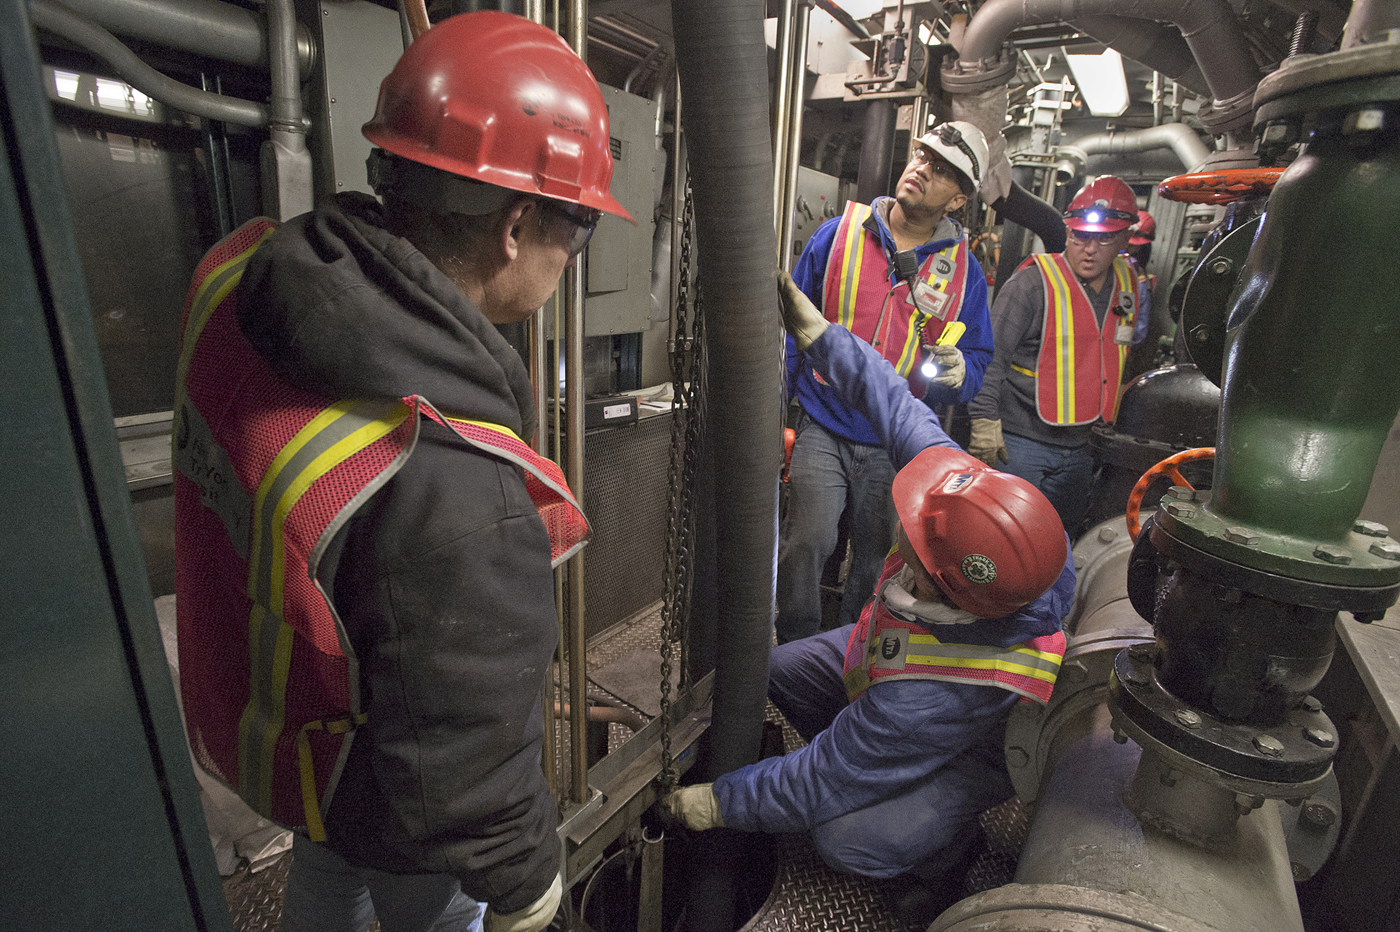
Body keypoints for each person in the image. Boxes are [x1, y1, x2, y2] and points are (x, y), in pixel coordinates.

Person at [171, 13, 633, 932]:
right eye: (576, 230)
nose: (570, 258)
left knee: (328, 880)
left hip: (294, 744)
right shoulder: (456, 482)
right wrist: (532, 886)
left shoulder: (235, 278)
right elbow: (468, 763)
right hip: (395, 797)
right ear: (514, 227)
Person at [662, 272, 1074, 925]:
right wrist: (821, 337)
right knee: (781, 669)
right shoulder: (987, 519)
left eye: (914, 538)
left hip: (969, 747)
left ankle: (947, 855)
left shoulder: (926, 700)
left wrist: (715, 804)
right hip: (893, 669)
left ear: (947, 590)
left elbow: (822, 778)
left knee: (844, 836)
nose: (902, 523)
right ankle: (874, 762)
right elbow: (894, 401)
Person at [777, 121, 996, 645]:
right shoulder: (838, 235)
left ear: (958, 200)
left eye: (941, 170)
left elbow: (980, 356)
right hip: (822, 423)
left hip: (894, 444)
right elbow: (787, 331)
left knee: (878, 560)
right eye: (922, 156)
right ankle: (793, 648)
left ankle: (856, 650)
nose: (921, 168)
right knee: (806, 542)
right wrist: (775, 412)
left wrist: (963, 374)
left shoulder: (965, 275)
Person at [966, 175, 1141, 536]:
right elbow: (989, 357)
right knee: (1004, 535)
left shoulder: (1128, 283)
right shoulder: (1033, 283)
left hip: (1083, 446)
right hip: (1021, 443)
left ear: (1125, 237)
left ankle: (1047, 597)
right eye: (1079, 236)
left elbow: (1121, 354)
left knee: (1059, 538)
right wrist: (983, 422)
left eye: (1103, 238)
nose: (1089, 250)